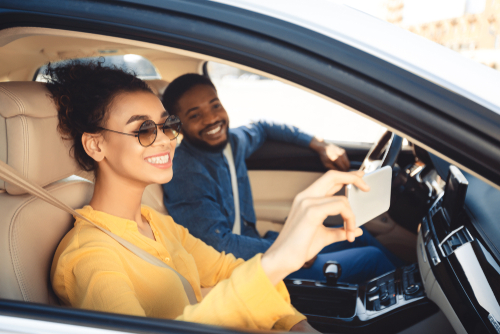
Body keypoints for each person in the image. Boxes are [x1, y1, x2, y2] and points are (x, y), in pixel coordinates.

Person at [48, 60, 370, 332]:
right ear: (96, 145)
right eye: (143, 130)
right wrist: (281, 256)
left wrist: (295, 324)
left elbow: (231, 272)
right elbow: (252, 277)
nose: (165, 141)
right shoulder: (89, 257)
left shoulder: (158, 225)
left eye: (167, 126)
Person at [162, 74, 405, 284]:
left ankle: (414, 280)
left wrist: (319, 145)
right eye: (195, 116)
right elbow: (218, 247)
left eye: (215, 105)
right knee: (373, 260)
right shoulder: (185, 172)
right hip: (242, 270)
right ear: (179, 126)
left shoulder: (233, 143)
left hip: (256, 245)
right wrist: (292, 250)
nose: (211, 119)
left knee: (358, 234)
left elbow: (265, 128)